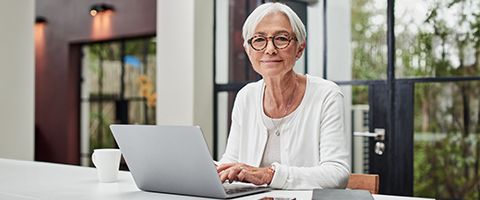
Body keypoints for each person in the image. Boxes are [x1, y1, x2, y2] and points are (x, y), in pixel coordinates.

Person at [216, 2, 350, 190]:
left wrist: (269, 175)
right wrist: (215, 172)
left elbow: (337, 174)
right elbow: (231, 161)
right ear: (248, 50)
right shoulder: (245, 96)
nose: (270, 49)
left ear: (300, 49)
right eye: (259, 40)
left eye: (281, 38)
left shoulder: (326, 94)